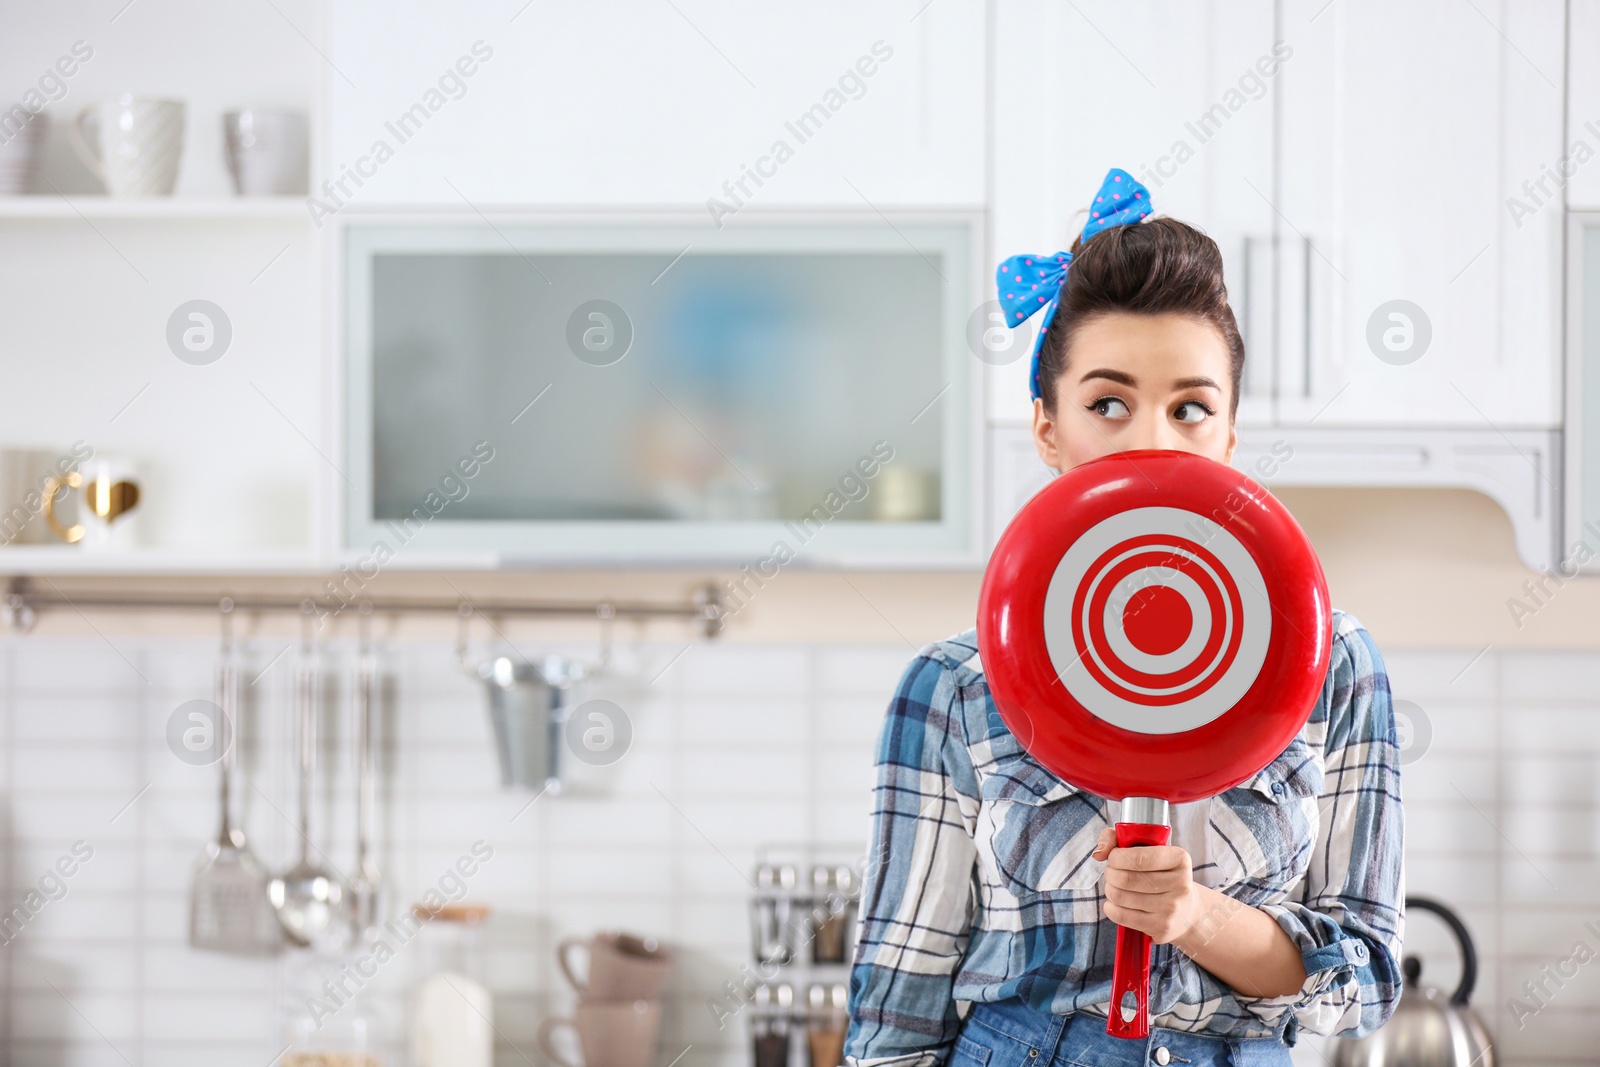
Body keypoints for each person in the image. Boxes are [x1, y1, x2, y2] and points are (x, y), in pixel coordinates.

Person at [842, 168, 1405, 1067]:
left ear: (1228, 434)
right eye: (1109, 404)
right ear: (1047, 427)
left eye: (1190, 408)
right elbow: (896, 1016)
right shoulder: (953, 684)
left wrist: (1197, 918)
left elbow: (1367, 978)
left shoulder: (1330, 662)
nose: (1152, 443)